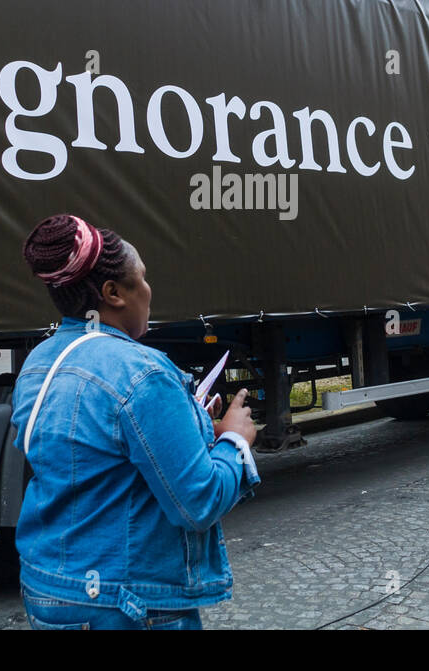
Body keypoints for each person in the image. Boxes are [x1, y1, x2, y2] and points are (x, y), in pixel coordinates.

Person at [14, 213, 259, 630]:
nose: (149, 289)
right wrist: (235, 440)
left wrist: (195, 427)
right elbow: (197, 503)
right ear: (113, 293)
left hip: (49, 592)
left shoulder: (39, 362)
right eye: (141, 278)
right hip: (128, 605)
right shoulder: (142, 372)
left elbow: (93, 460)